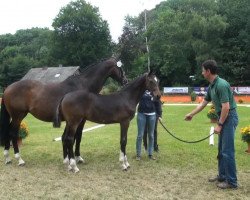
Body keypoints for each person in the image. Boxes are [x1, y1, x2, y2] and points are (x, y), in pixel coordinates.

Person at [184, 60, 238, 189]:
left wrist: (219, 124)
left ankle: (232, 182)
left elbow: (226, 107)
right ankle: (222, 176)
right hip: (223, 117)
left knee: (227, 151)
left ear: (208, 71)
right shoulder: (212, 86)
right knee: (221, 150)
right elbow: (203, 103)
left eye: (203, 70)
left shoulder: (221, 85)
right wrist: (191, 114)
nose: (202, 73)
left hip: (228, 117)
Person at [136, 90, 158, 160]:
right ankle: (138, 155)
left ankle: (150, 154)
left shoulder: (154, 90)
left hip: (152, 115)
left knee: (151, 135)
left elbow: (158, 103)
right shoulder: (140, 90)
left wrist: (159, 115)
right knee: (140, 135)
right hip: (141, 114)